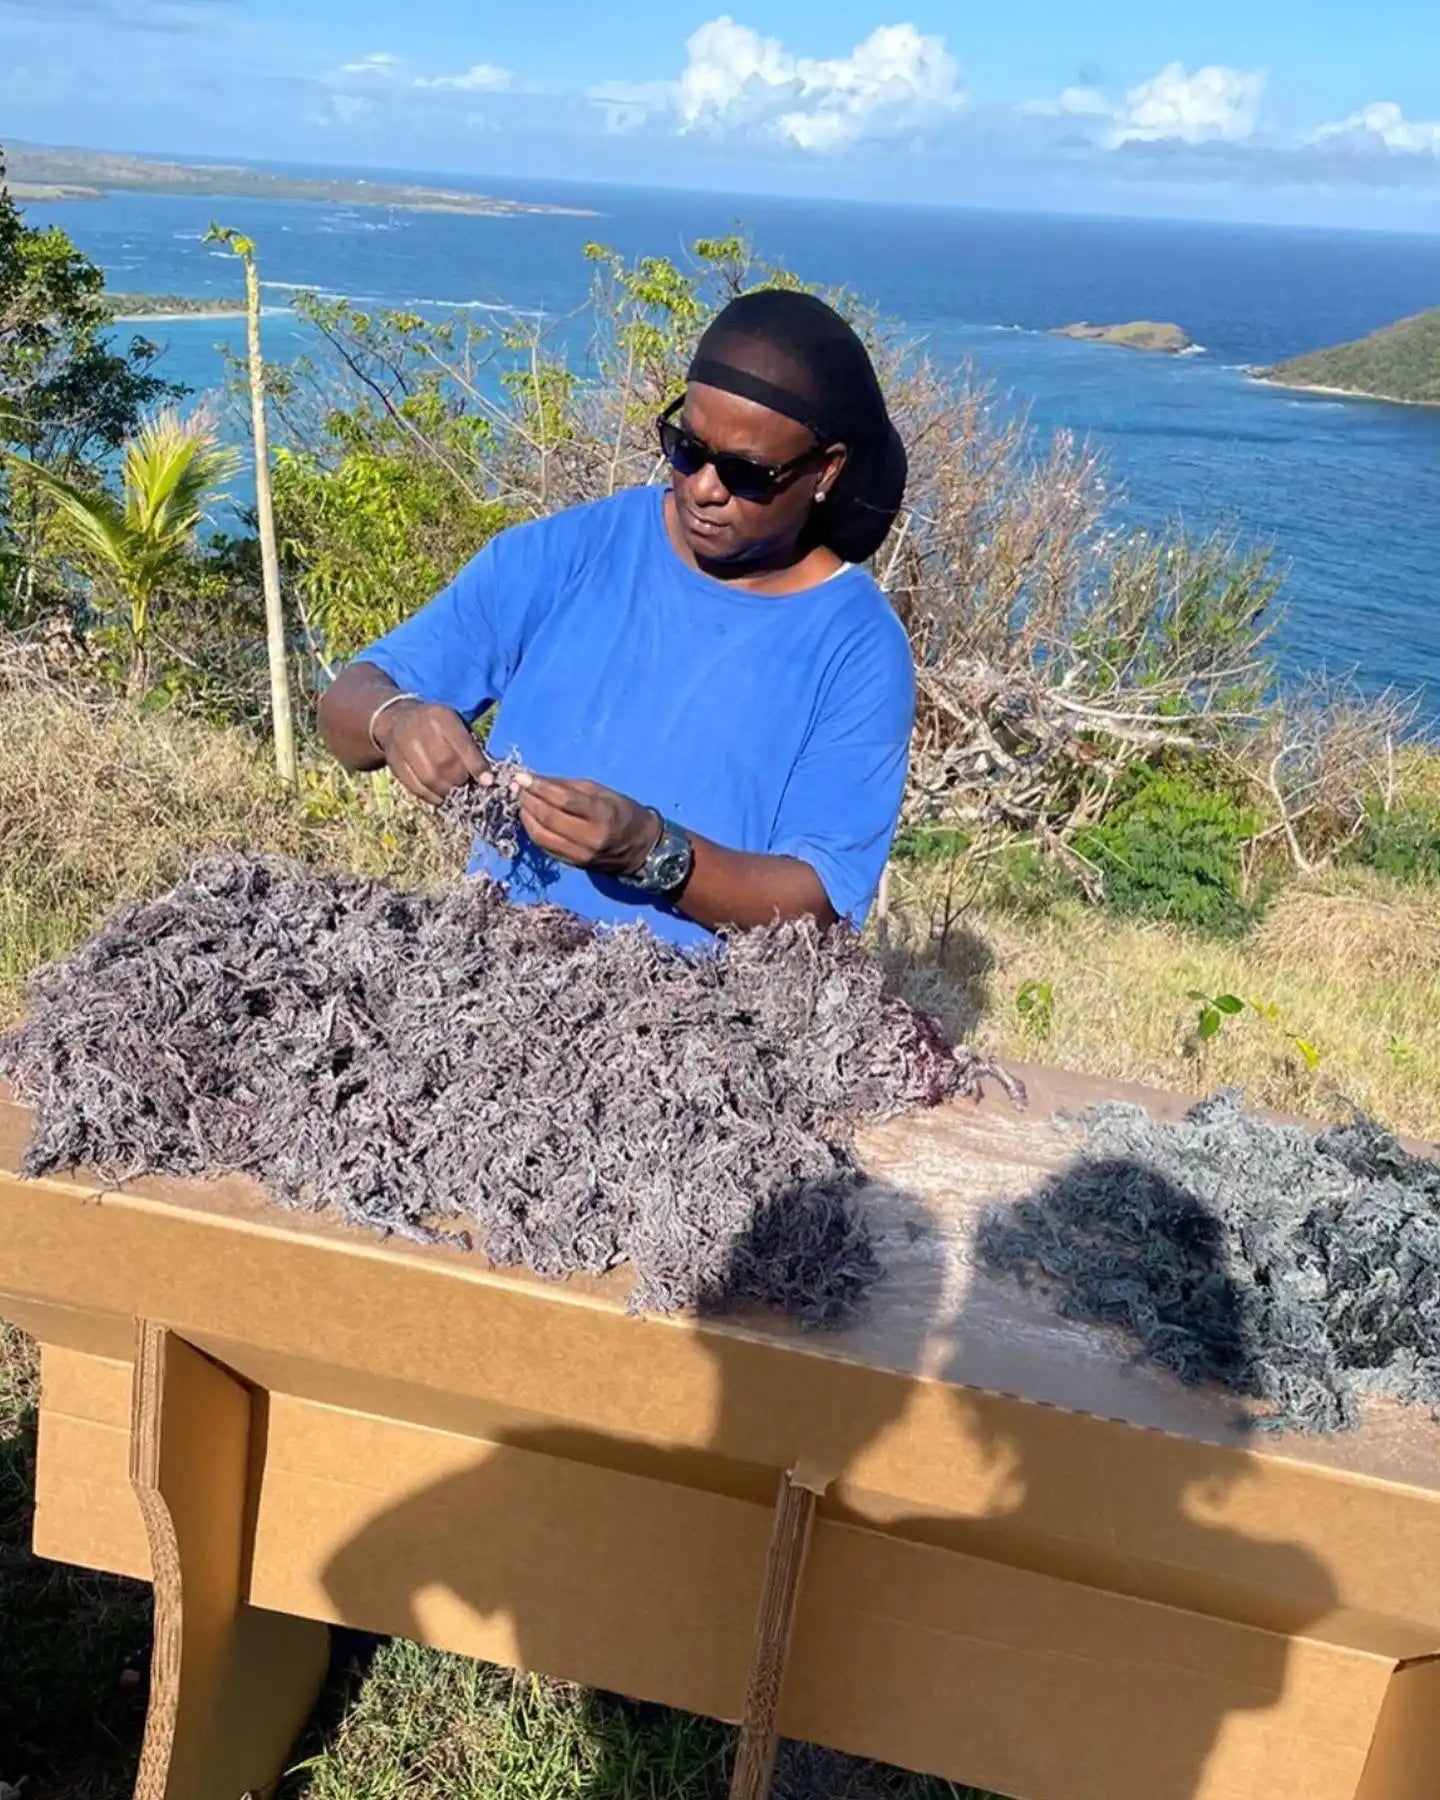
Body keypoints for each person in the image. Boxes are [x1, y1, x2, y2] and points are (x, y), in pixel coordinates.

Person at [318, 289, 915, 949]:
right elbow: (346, 707)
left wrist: (653, 852)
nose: (704, 487)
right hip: (495, 977)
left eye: (747, 474)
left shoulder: (857, 648)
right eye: (686, 448)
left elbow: (820, 907)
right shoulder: (573, 552)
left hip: (699, 1022)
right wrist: (395, 721)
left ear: (824, 470)